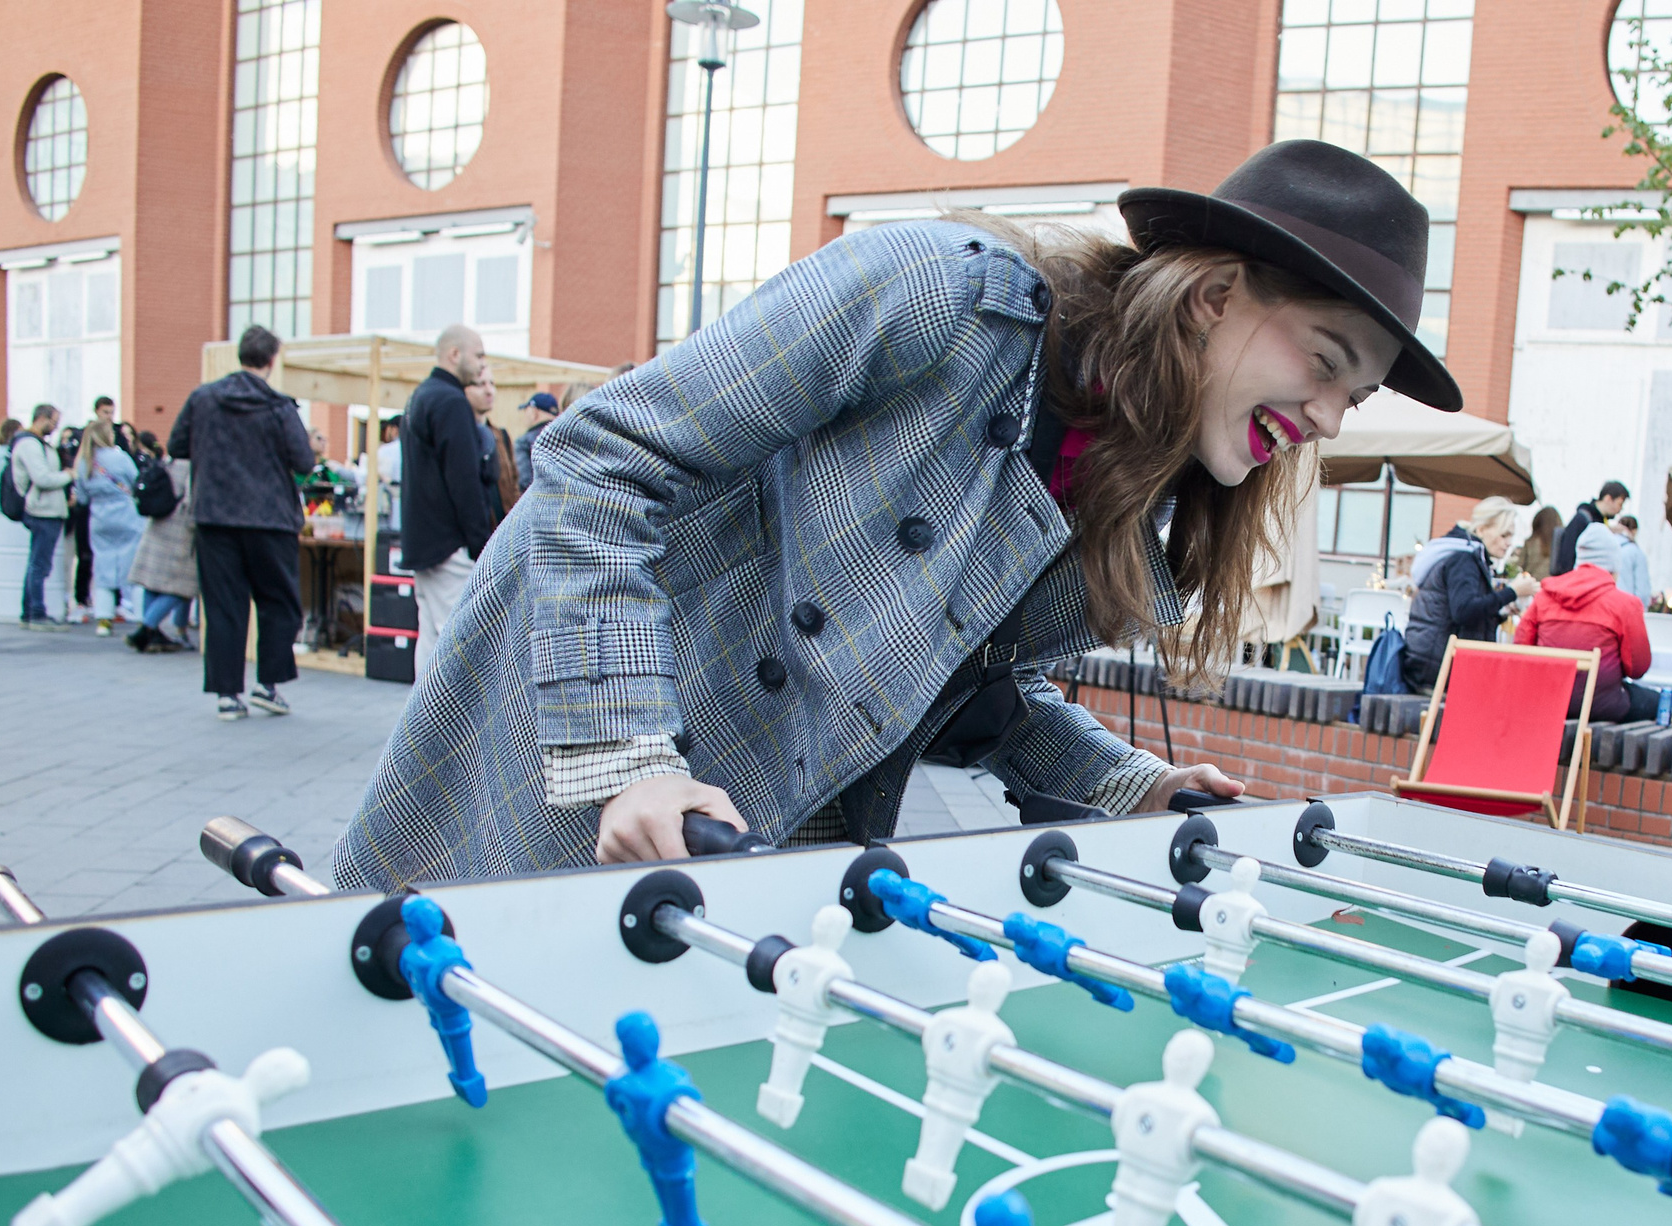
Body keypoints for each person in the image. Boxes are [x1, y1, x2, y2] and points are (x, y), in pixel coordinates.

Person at [336, 138, 1452, 882]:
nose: (1330, 418)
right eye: (1324, 362)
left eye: (1350, 394)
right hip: (575, 754)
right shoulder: (933, 293)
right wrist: (631, 753)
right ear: (1214, 298)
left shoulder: (1131, 483)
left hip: (762, 843)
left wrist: (1128, 782)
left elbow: (970, 693)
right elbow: (602, 459)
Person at [168, 323, 317, 720]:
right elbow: (303, 461)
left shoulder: (203, 399)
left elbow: (176, 445)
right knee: (279, 603)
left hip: (215, 515)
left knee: (223, 606)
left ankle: (227, 694)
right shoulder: (279, 407)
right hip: (270, 519)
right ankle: (268, 685)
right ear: (271, 360)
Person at [400, 324, 495, 673]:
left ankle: (422, 725)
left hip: (424, 543)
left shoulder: (421, 397)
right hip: (449, 545)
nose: (482, 364)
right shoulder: (451, 402)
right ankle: (449, 727)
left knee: (431, 639)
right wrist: (479, 545)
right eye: (479, 354)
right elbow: (464, 480)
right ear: (455, 355)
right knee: (456, 644)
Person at [1517, 525, 1656, 722]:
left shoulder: (1543, 598)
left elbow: (1521, 651)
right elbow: (1638, 668)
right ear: (1615, 566)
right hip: (1602, 705)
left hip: (1546, 702)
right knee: (1657, 702)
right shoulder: (1625, 604)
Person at [1401, 496, 1523, 694]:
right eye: (1504, 535)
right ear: (1481, 530)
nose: (1509, 543)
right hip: (1438, 669)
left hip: (1430, 662)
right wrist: (1513, 592)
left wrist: (1500, 612)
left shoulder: (1462, 553)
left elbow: (1462, 613)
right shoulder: (1464, 560)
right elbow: (1464, 611)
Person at [73, 415, 144, 631]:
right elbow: (136, 480)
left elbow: (82, 497)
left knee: (102, 564)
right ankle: (140, 614)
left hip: (99, 516)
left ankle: (104, 618)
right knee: (132, 564)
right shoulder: (120, 458)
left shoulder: (84, 462)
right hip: (125, 513)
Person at [129, 433, 198, 653]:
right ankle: (147, 628)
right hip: (180, 531)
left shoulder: (168, 461)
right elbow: (192, 502)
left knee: (153, 582)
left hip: (158, 524)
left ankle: (154, 632)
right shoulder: (194, 468)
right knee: (181, 586)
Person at [11, 406, 74, 628]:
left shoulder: (36, 443)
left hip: (46, 509)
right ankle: (36, 613)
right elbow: (42, 478)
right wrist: (68, 476)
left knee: (36, 563)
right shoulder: (30, 444)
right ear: (42, 418)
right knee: (39, 564)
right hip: (42, 510)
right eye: (54, 421)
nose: (56, 426)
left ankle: (29, 613)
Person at [1551, 480, 1629, 595]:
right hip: (1575, 589)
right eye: (1620, 504)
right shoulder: (1582, 519)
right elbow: (1567, 557)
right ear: (1608, 499)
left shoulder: (1599, 522)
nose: (1620, 510)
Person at [466, 373, 521, 519]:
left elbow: (514, 483)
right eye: (480, 384)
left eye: (492, 383)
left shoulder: (500, 435)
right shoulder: (460, 436)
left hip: (503, 530)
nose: (489, 390)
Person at [516, 391, 560, 486]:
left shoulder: (523, 443)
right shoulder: (565, 438)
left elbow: (524, 481)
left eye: (526, 410)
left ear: (534, 411)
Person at [1609, 512, 1653, 607]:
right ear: (1634, 531)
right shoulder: (1636, 552)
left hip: (1605, 606)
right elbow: (1643, 591)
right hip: (1626, 607)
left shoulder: (1604, 547)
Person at [1517, 504, 1561, 584]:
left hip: (1532, 586)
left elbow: (1520, 566)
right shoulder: (1561, 543)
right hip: (1555, 587)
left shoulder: (1530, 542)